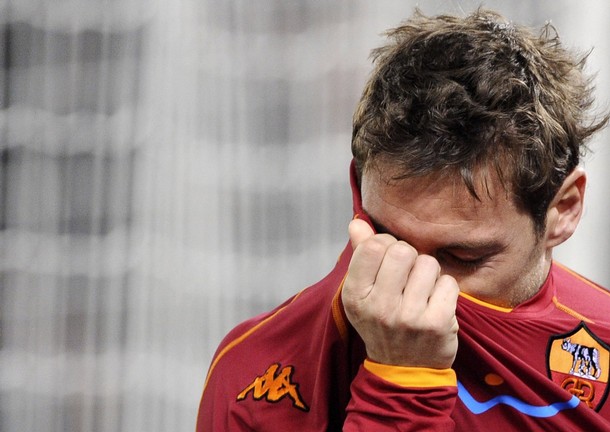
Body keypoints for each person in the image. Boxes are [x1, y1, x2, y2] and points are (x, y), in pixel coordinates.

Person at [197, 8, 610, 431]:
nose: (413, 287)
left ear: (563, 210)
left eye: (462, 256)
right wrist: (403, 386)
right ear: (358, 187)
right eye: (386, 238)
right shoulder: (257, 373)